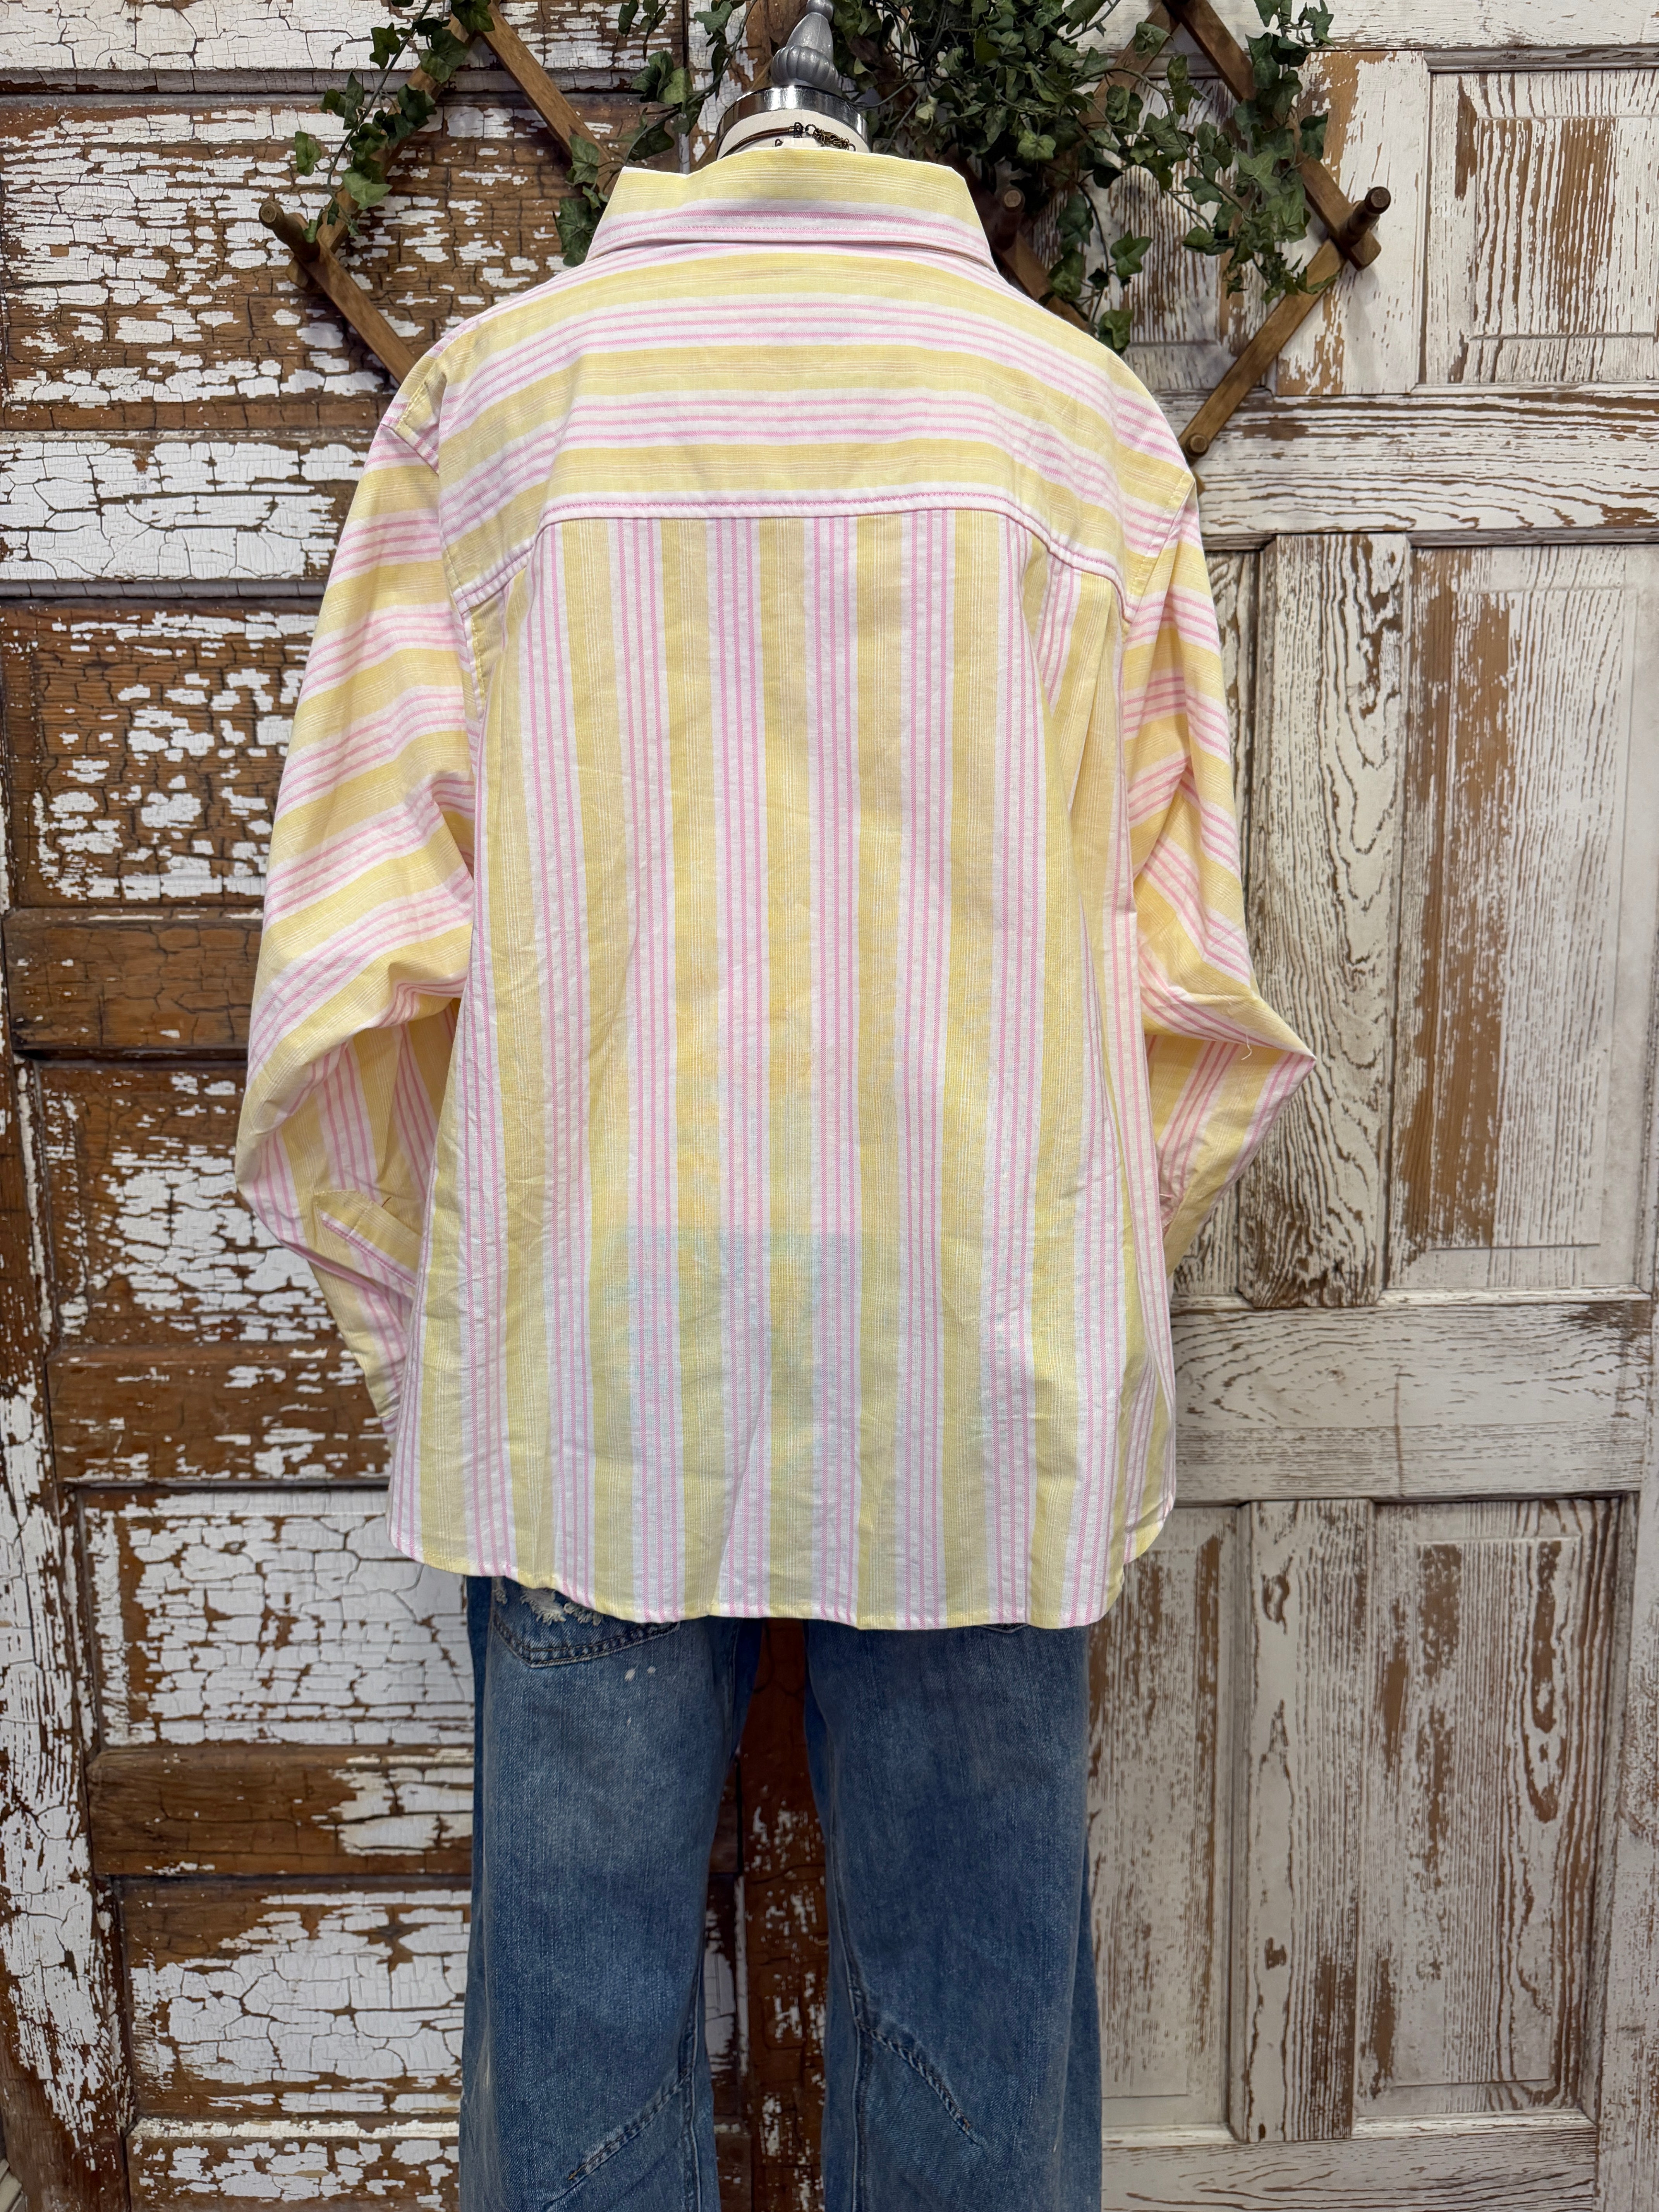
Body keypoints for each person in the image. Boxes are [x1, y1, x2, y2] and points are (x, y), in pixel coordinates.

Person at [236, 6, 1313, 2203]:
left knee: (574, 2047)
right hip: (983, 1353)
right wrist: (1074, 1279)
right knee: (976, 2042)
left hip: (593, 1348)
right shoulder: (1085, 436)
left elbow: (345, 974)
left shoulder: (497, 415)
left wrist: (449, 1325)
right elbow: (1191, 1008)